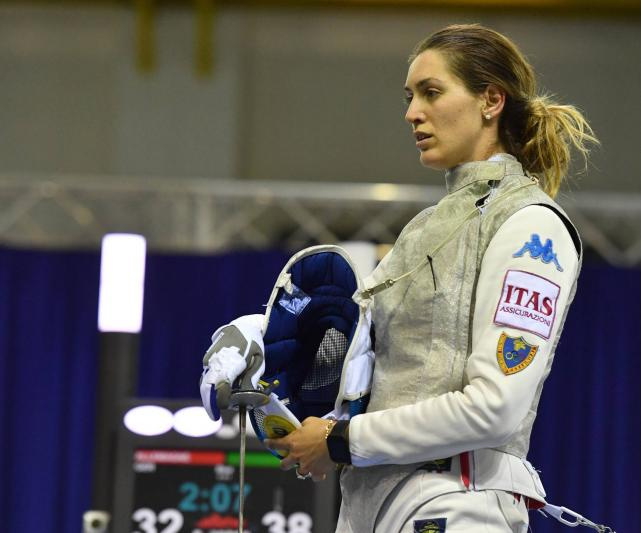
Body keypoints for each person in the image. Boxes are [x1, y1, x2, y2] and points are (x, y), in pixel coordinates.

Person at [202, 23, 598, 533]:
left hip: (459, 501)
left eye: (432, 92)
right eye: (411, 97)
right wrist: (265, 341)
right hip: (370, 501)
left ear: (491, 100)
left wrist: (341, 440)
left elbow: (495, 407)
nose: (413, 112)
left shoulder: (530, 226)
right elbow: (373, 366)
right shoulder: (426, 228)